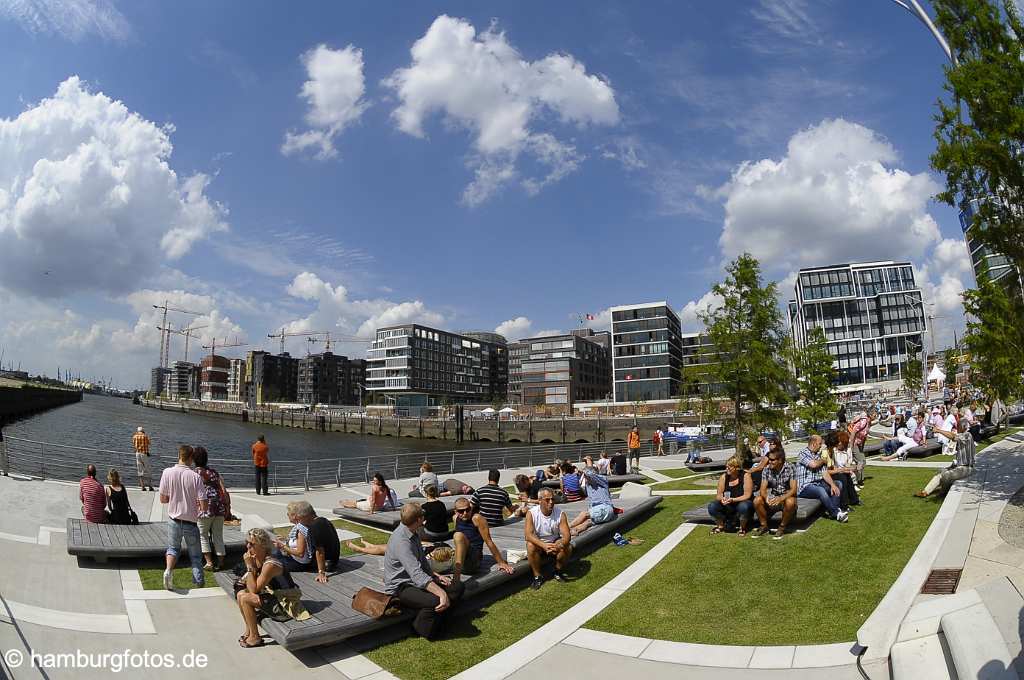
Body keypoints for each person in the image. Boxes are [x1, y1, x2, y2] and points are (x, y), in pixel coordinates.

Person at [383, 503, 465, 640]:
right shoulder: (402, 541)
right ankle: (422, 630)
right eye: (422, 516)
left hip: (414, 580)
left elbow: (422, 562)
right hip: (401, 586)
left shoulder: (412, 533)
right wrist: (441, 593)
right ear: (419, 520)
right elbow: (416, 575)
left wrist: (435, 576)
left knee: (457, 586)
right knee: (436, 599)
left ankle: (440, 621)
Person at [236, 527, 308, 648]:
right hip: (274, 596)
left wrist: (249, 566)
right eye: (246, 542)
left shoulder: (270, 564)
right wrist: (251, 568)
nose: (248, 547)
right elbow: (250, 585)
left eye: (252, 544)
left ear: (263, 546)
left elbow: (254, 590)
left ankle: (255, 638)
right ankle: (249, 631)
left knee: (245, 598)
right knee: (240, 594)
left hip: (285, 605)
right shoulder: (258, 559)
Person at [159, 445, 204, 590]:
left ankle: (168, 571)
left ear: (179, 455)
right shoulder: (195, 477)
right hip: (190, 521)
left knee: (172, 549)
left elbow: (163, 499)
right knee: (196, 556)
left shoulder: (167, 472)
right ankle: (198, 583)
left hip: (174, 520)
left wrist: (175, 496)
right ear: (191, 458)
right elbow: (204, 505)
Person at [451, 498, 514, 579]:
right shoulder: (455, 518)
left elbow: (489, 541)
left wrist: (501, 562)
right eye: (461, 511)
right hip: (460, 559)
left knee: (458, 535)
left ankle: (456, 579)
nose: (465, 513)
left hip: (473, 561)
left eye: (468, 509)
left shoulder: (477, 518)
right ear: (455, 511)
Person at [916, 417, 976, 498]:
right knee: (940, 472)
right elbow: (954, 437)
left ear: (963, 426)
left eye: (958, 426)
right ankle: (925, 492)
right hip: (960, 466)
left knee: (946, 475)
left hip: (967, 468)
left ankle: (942, 493)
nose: (956, 427)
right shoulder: (964, 435)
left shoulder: (968, 435)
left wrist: (938, 430)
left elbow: (953, 437)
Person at [525, 488, 572, 590]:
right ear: (539, 500)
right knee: (530, 545)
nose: (551, 502)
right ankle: (537, 576)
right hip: (540, 544)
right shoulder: (532, 513)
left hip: (555, 541)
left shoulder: (560, 513)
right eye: (547, 500)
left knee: (567, 546)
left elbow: (567, 536)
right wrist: (544, 545)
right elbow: (528, 535)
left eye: (552, 499)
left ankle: (557, 570)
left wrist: (559, 544)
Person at [795, 435, 849, 523]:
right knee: (820, 490)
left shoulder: (818, 455)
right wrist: (823, 460)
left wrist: (832, 485)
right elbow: (814, 465)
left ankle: (833, 510)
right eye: (820, 444)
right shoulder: (803, 453)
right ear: (813, 443)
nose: (821, 446)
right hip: (804, 487)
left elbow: (825, 473)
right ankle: (836, 513)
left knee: (838, 484)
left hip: (818, 483)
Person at [193, 446, 227, 571]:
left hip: (205, 507)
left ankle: (209, 562)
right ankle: (221, 562)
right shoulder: (214, 472)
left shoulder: (195, 473)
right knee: (218, 535)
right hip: (218, 507)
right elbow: (222, 488)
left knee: (203, 535)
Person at [752, 448, 797, 539]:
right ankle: (764, 526)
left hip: (786, 497)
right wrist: (766, 498)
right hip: (774, 496)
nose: (769, 462)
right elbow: (762, 489)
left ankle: (782, 527)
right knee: (757, 500)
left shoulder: (790, 467)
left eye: (772, 460)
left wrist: (781, 498)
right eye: (769, 459)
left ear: (780, 460)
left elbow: (794, 490)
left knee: (790, 502)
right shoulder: (767, 469)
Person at [708, 456, 754, 535]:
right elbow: (718, 495)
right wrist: (722, 499)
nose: (727, 469)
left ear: (736, 467)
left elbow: (747, 495)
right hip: (728, 504)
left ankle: (742, 527)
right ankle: (720, 526)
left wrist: (733, 499)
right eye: (726, 467)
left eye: (729, 467)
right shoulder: (724, 477)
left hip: (742, 502)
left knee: (744, 506)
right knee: (712, 506)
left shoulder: (745, 476)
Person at [569, 460, 615, 536]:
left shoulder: (602, 479)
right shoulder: (588, 485)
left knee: (584, 514)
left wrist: (587, 464)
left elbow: (591, 474)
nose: (585, 478)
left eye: (585, 476)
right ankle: (575, 530)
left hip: (605, 508)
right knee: (587, 522)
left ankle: (566, 527)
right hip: (600, 512)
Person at [823, 430, 861, 508]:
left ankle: (854, 500)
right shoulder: (825, 453)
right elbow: (824, 471)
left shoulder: (831, 451)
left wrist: (843, 470)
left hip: (832, 473)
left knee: (845, 475)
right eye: (837, 443)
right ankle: (844, 504)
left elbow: (834, 467)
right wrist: (840, 470)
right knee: (842, 477)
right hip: (826, 476)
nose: (838, 445)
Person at [273, 500, 314, 572]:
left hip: (299, 564)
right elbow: (298, 542)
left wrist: (282, 546)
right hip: (296, 560)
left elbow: (300, 553)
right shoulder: (299, 527)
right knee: (273, 553)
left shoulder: (301, 530)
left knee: (270, 560)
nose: (287, 515)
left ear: (294, 516)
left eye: (288, 513)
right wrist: (286, 539)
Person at [847, 410, 874, 485]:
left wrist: (862, 447)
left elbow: (864, 437)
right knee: (861, 461)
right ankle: (858, 480)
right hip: (854, 443)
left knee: (862, 461)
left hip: (859, 444)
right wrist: (851, 447)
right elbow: (853, 433)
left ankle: (857, 479)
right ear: (870, 415)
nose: (876, 416)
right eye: (875, 415)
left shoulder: (869, 423)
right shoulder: (863, 422)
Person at [132, 427, 154, 491]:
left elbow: (134, 444)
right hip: (144, 454)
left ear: (138, 431)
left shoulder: (134, 436)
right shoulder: (145, 436)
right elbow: (149, 443)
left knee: (140, 470)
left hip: (137, 454)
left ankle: (142, 487)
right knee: (148, 469)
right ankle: (150, 486)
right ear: (143, 431)